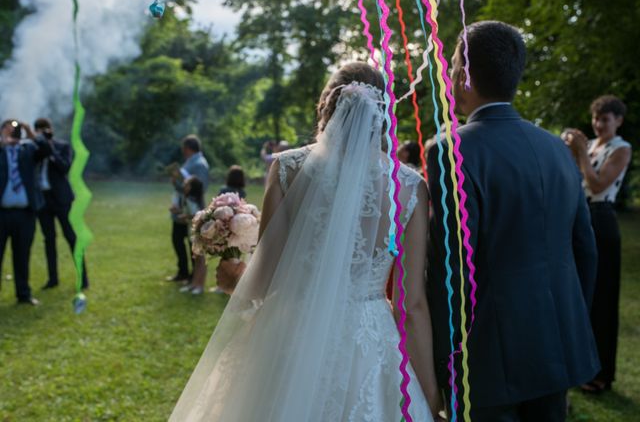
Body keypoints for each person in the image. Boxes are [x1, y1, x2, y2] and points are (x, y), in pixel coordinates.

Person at [170, 62, 444, 421]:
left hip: (291, 337)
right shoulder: (409, 186)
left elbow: (264, 280)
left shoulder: (287, 167)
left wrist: (232, 277)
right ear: (382, 117)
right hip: (369, 344)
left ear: (325, 108)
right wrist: (430, 393)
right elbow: (412, 306)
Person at [427, 21, 599, 421]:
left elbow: (449, 270)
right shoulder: (557, 148)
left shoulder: (451, 149)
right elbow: (585, 248)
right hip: (558, 343)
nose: (450, 75)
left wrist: (442, 360)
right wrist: (570, 324)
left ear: (464, 75)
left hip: (488, 356)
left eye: (453, 65)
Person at [564, 95, 632, 394]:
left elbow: (597, 184)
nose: (598, 124)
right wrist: (570, 151)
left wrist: (579, 152)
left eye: (605, 119)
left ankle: (602, 373)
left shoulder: (621, 149)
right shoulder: (589, 146)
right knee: (580, 294)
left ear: (618, 120)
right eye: (595, 118)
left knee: (602, 297)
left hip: (602, 220)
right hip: (579, 217)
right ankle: (579, 365)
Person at [33, 118, 89, 290]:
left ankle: (83, 277)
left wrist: (49, 148)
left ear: (51, 130)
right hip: (43, 199)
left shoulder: (62, 146)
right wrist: (40, 145)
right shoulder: (34, 147)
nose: (43, 132)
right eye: (39, 130)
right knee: (49, 239)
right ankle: (52, 278)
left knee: (71, 237)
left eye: (45, 129)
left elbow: (65, 167)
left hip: (61, 200)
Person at [0, 120, 51, 305]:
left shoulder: (28, 150)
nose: (13, 133)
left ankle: (23, 294)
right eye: (9, 129)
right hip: (2, 214)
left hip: (25, 214)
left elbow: (47, 151)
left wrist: (30, 132)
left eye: (16, 130)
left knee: (22, 254)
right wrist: (2, 141)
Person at [167, 135, 209, 283]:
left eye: (183, 148)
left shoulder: (200, 163)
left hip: (192, 209)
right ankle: (183, 272)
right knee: (177, 239)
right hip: (183, 206)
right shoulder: (191, 161)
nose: (182, 151)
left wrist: (178, 183)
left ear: (188, 148)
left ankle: (193, 276)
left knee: (193, 245)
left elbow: (198, 188)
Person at [173, 176, 207, 295]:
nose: (184, 186)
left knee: (201, 260)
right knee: (196, 259)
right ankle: (194, 284)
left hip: (199, 233)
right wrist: (180, 213)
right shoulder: (189, 199)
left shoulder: (193, 200)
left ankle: (200, 285)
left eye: (187, 184)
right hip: (192, 233)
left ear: (192, 188)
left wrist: (185, 216)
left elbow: (198, 216)